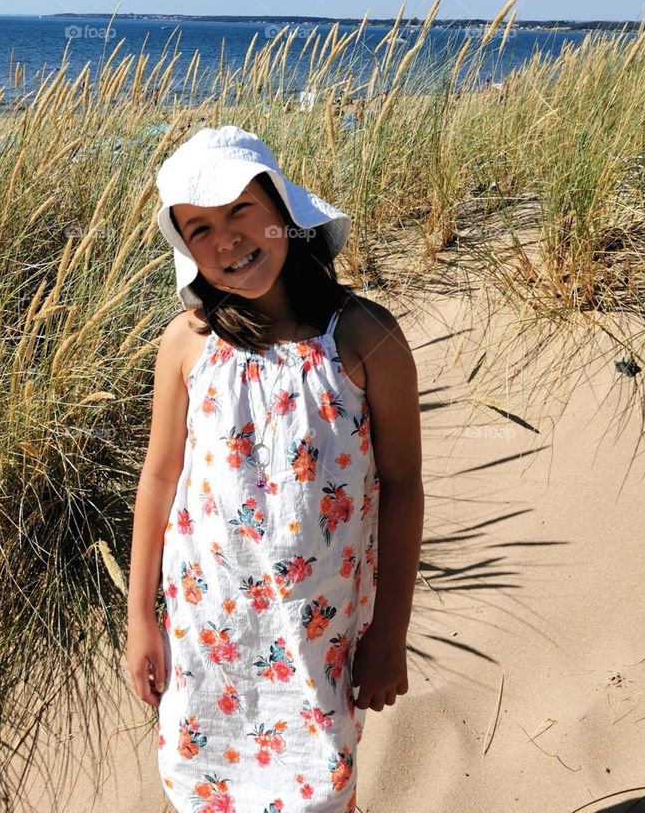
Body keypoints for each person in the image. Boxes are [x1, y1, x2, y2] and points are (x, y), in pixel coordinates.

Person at [127, 125, 424, 812]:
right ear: (186, 252)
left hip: (313, 635)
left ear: (284, 210)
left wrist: (390, 632)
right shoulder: (187, 344)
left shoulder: (363, 337)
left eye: (240, 210)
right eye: (199, 228)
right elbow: (160, 475)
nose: (227, 239)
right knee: (205, 783)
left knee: (317, 781)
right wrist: (140, 616)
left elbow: (404, 485)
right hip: (208, 635)